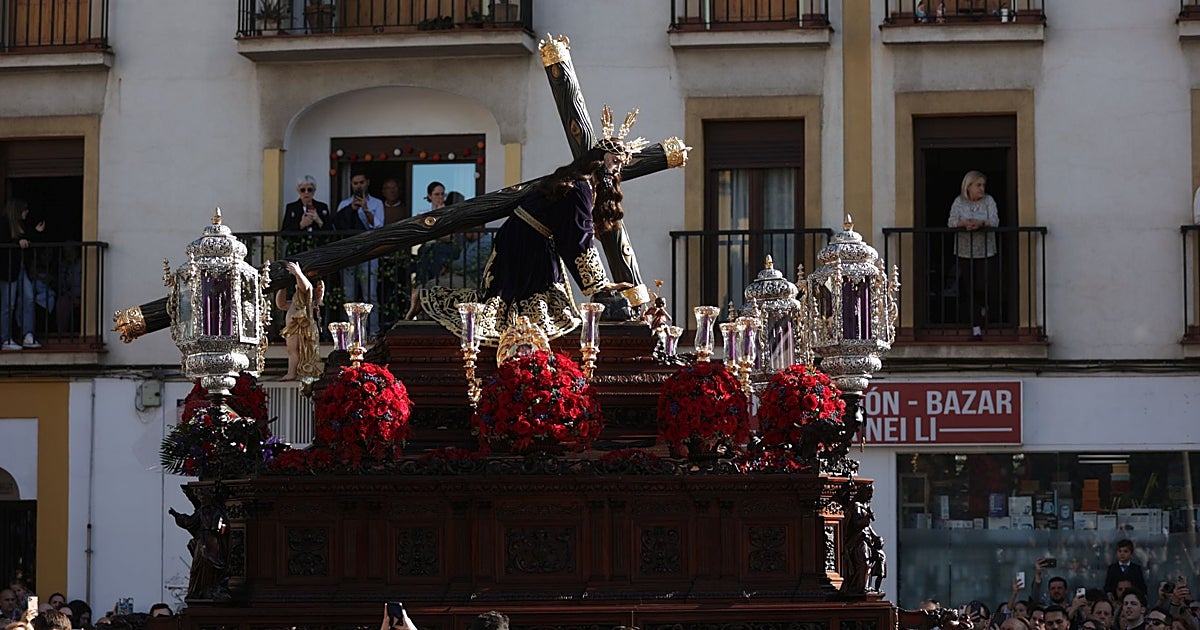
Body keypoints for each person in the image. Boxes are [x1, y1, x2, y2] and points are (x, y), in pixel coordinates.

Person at [416, 146, 632, 345]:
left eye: (621, 164)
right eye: (614, 161)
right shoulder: (581, 185)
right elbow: (579, 237)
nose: (616, 168)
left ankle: (426, 298)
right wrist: (600, 284)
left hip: (524, 236)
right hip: (528, 242)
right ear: (599, 160)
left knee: (515, 300)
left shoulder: (576, 181)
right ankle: (431, 298)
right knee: (524, 307)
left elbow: (573, 232)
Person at [948, 170, 1000, 340]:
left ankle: (985, 309)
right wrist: (963, 224)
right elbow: (951, 222)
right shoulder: (959, 202)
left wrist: (981, 223)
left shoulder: (989, 201)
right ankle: (976, 327)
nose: (981, 188)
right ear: (968, 186)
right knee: (969, 289)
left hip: (986, 251)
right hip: (965, 252)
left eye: (983, 185)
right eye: (978, 185)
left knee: (982, 286)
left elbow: (995, 221)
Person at [336, 171, 385, 335]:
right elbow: (339, 227)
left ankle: (373, 331)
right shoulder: (344, 204)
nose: (359, 186)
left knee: (370, 295)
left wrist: (365, 210)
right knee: (348, 296)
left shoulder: (377, 203)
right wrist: (351, 209)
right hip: (349, 255)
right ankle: (348, 333)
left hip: (369, 253)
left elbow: (379, 227)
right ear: (351, 185)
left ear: (367, 183)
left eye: (361, 182)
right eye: (355, 183)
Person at [1, 200, 44, 350]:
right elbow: (6, 241)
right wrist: (18, 242)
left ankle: (28, 335)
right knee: (8, 304)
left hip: (20, 268)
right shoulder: (4, 223)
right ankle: (6, 339)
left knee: (29, 298)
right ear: (17, 209)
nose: (27, 212)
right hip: (8, 270)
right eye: (25, 209)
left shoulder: (21, 225)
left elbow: (26, 240)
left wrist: (36, 233)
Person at [276, 261, 324, 383]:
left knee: (296, 351)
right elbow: (281, 304)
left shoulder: (305, 300)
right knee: (292, 351)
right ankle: (292, 372)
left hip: (300, 328)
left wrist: (298, 274)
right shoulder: (296, 303)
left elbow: (306, 287)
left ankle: (292, 373)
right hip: (294, 329)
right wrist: (282, 287)